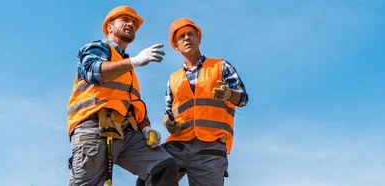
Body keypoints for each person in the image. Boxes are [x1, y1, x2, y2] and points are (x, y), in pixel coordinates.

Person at [66, 5, 179, 186]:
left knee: (164, 166)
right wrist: (134, 61)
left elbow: (134, 104)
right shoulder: (97, 48)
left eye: (134, 22)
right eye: (125, 20)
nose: (131, 24)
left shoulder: (128, 68)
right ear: (109, 27)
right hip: (93, 127)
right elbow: (94, 72)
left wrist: (145, 128)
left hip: (125, 133)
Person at [153, 17, 249, 186]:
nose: (187, 38)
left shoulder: (220, 66)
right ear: (175, 45)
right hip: (178, 146)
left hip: (210, 149)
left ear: (199, 38)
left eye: (190, 34)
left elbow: (243, 98)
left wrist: (228, 94)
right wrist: (168, 123)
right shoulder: (173, 79)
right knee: (151, 177)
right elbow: (168, 112)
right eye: (181, 37)